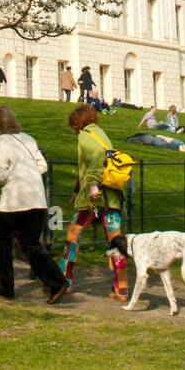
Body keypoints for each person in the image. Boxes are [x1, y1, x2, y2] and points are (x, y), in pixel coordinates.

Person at [0, 105, 70, 303]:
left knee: (3, 243)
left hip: (14, 199)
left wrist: (10, 177)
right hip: (36, 198)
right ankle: (57, 281)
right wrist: (27, 175)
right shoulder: (28, 138)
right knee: (30, 243)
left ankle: (5, 288)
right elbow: (42, 165)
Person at [59, 104, 127, 299]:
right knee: (115, 242)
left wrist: (92, 187)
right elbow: (90, 166)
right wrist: (77, 190)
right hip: (112, 198)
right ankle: (121, 288)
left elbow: (95, 163)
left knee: (72, 238)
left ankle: (65, 281)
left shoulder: (84, 136)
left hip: (93, 200)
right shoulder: (102, 134)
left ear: (77, 123)